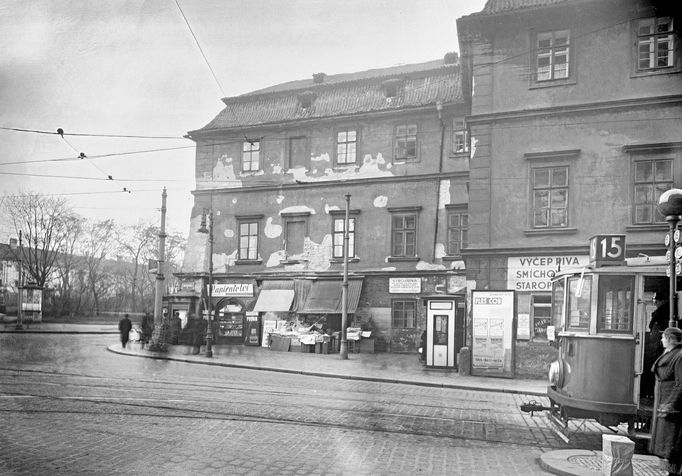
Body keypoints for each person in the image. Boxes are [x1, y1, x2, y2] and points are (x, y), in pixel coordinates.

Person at [651, 327, 682, 476]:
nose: (661, 340)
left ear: (671, 339)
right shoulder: (671, 353)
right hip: (665, 404)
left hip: (672, 409)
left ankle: (673, 473)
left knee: (672, 445)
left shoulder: (680, 356)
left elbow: (681, 383)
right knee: (668, 447)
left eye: (663, 337)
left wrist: (671, 404)